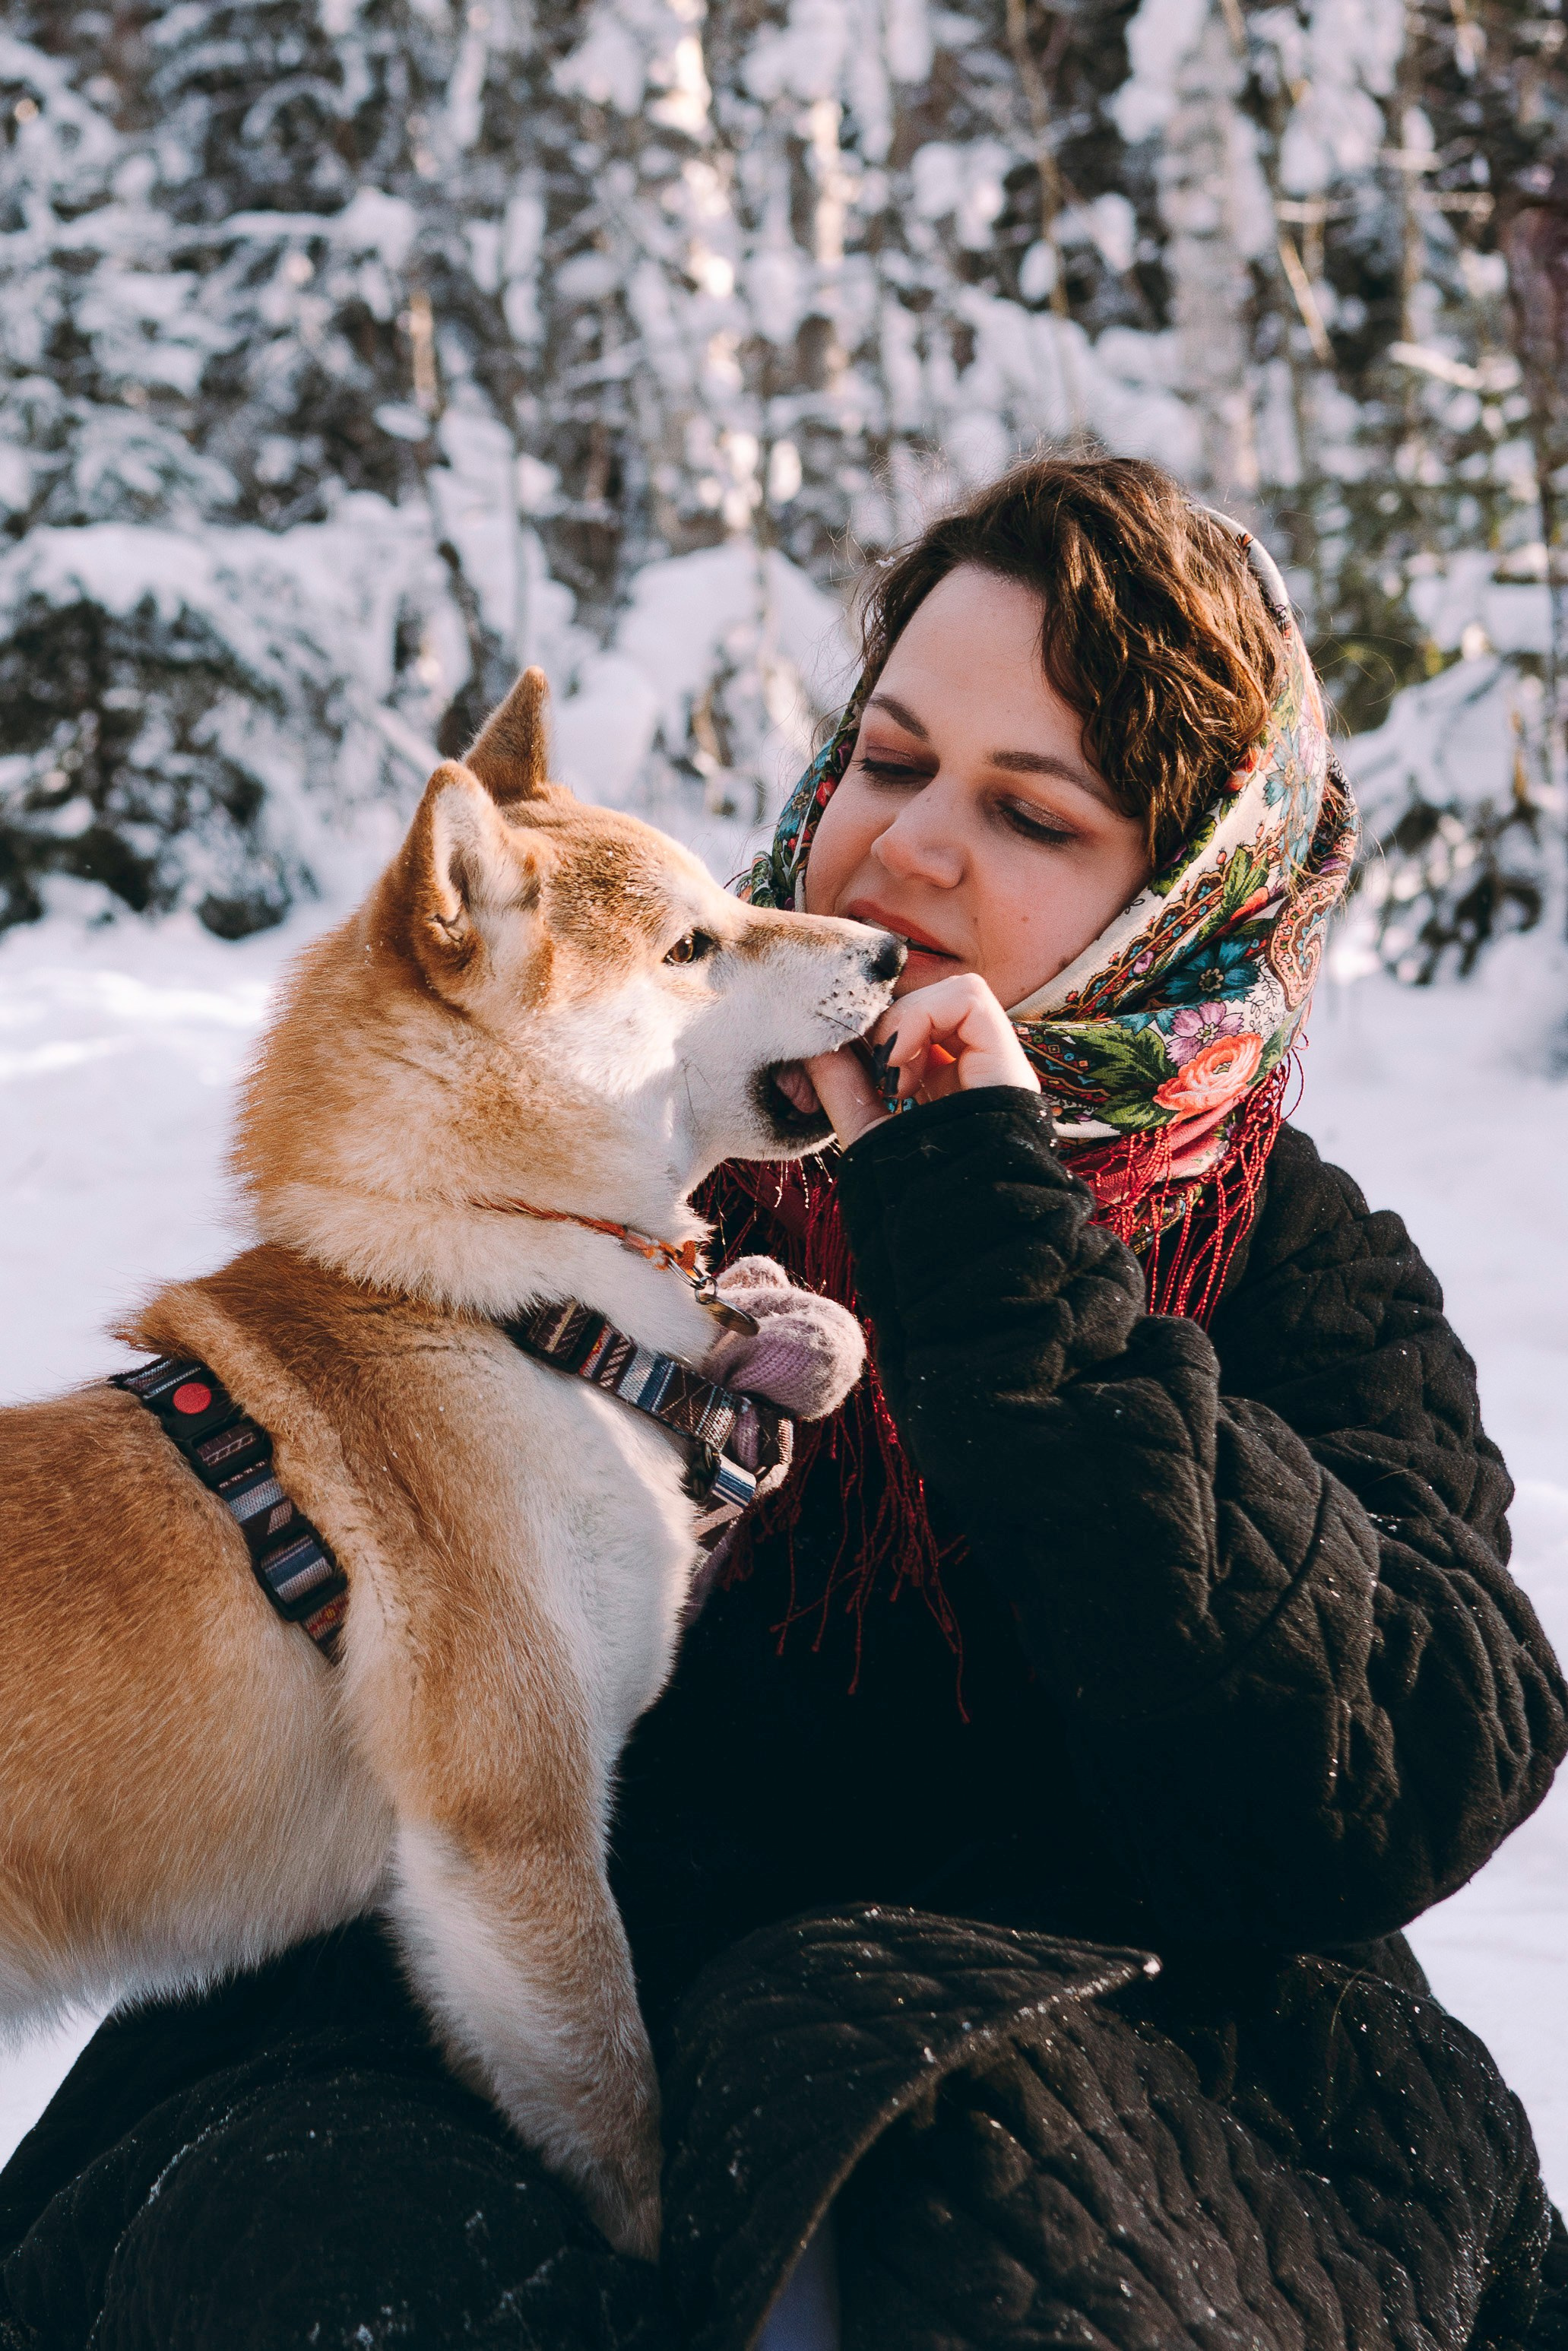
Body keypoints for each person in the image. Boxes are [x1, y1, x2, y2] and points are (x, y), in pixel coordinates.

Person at [3, 455, 1565, 2351]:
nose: (906, 850)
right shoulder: (605, 1143)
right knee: (295, 2239)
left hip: (1111, 2059)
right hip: (501, 2035)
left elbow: (1398, 1762)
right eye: (890, 759)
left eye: (1030, 811)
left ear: (1180, 897)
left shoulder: (1285, 1257)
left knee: (982, 2216)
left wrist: (993, 1227)